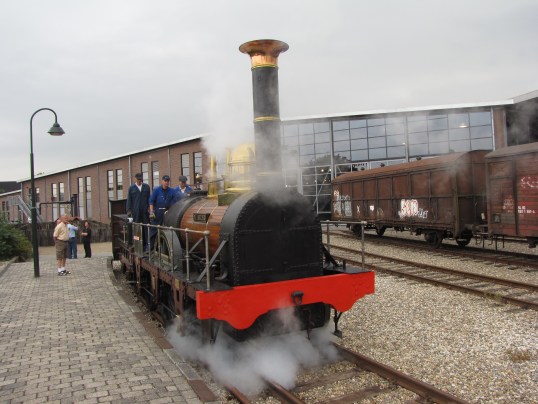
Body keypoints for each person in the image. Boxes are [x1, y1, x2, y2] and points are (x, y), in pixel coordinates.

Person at [148, 175, 182, 251]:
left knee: (168, 231)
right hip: (157, 213)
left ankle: (165, 250)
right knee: (154, 230)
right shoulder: (156, 190)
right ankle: (149, 249)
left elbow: (175, 201)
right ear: (162, 181)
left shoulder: (172, 191)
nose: (166, 182)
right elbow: (151, 201)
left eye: (168, 181)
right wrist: (151, 212)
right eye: (165, 181)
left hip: (167, 213)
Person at [126, 172, 151, 249]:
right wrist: (129, 210)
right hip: (136, 212)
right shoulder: (131, 188)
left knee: (146, 228)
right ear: (136, 179)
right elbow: (129, 200)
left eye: (141, 179)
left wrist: (150, 208)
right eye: (139, 179)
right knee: (137, 228)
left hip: (145, 212)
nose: (140, 181)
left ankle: (147, 245)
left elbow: (149, 199)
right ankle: (137, 244)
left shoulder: (147, 187)